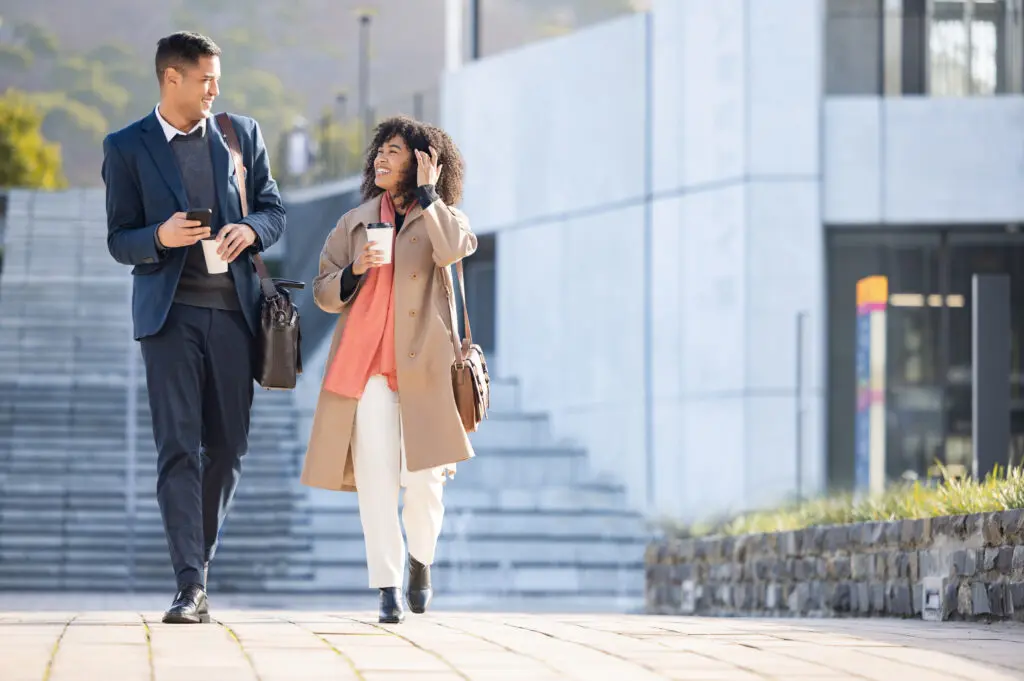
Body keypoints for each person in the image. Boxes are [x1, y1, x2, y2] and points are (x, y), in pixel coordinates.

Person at [101, 31, 286, 624]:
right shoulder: (126, 146)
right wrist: (158, 237)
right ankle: (190, 585)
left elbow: (275, 209)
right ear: (171, 78)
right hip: (168, 316)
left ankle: (194, 568)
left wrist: (252, 229)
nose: (214, 90)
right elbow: (118, 238)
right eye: (204, 79)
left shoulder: (241, 134)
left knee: (228, 447)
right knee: (178, 447)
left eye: (217, 79)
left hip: (234, 314)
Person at [300, 116, 477, 624]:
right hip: (368, 368)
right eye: (379, 149)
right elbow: (322, 290)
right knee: (376, 481)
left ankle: (421, 559)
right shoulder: (353, 223)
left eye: (394, 151)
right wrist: (355, 271)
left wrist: (428, 196)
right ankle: (387, 586)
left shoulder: (447, 217)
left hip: (425, 369)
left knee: (425, 481)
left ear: (424, 161)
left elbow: (453, 249)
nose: (380, 157)